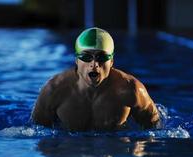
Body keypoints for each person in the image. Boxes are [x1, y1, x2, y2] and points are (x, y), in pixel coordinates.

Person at [32, 27, 160, 131]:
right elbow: (36, 132)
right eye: (86, 57)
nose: (94, 64)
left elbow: (155, 129)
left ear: (111, 61)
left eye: (102, 57)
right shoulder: (54, 90)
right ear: (76, 60)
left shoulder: (132, 90)